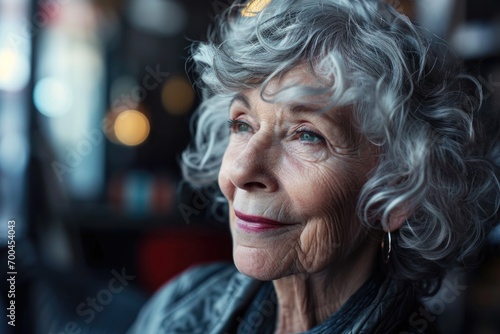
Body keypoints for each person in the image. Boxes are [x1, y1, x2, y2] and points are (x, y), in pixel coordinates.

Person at [128, 0, 500, 333]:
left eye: (307, 136)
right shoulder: (181, 305)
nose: (241, 171)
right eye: (242, 124)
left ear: (400, 189)